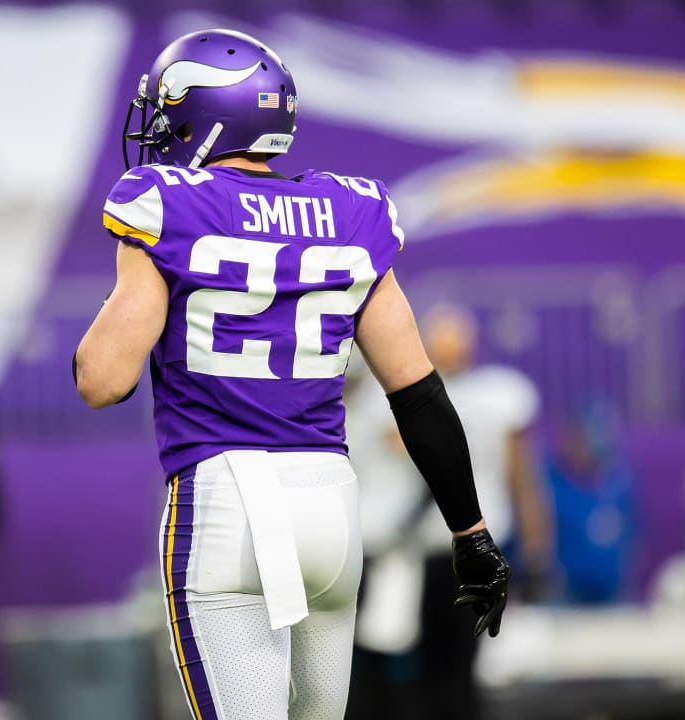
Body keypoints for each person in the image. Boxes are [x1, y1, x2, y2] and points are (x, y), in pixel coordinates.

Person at [74, 29, 511, 719]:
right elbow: (419, 393)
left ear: (201, 116)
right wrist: (472, 533)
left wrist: (136, 270)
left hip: (227, 504)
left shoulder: (165, 203)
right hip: (334, 511)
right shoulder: (351, 210)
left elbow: (101, 380)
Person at [345, 303, 552, 720]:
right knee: (371, 673)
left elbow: (519, 474)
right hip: (389, 551)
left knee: (455, 670)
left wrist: (536, 544)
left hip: (456, 551)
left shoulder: (494, 396)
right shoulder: (374, 396)